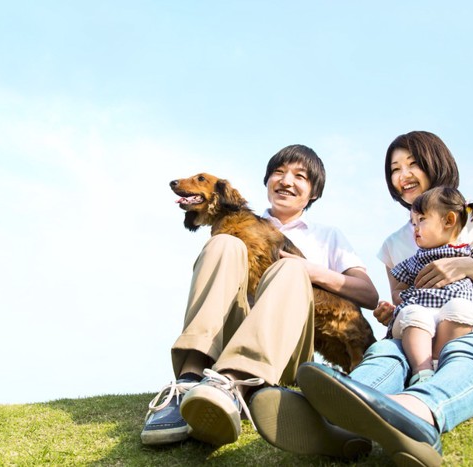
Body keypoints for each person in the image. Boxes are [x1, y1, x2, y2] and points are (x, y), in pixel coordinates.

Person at [249, 131, 473, 464]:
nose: (402, 176)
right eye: (394, 169)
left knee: (463, 350)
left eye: (412, 164)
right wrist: (390, 315)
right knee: (386, 352)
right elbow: (404, 306)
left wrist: (465, 265)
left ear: (436, 163)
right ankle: (330, 419)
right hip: (422, 332)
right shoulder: (395, 245)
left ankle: (419, 413)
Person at [141, 144, 379, 448]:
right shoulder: (232, 226)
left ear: (314, 191)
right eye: (278, 173)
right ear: (267, 181)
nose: (286, 181)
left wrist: (308, 269)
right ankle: (189, 381)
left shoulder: (328, 236)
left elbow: (369, 295)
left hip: (285, 351)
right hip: (224, 343)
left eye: (300, 176)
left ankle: (236, 382)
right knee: (223, 245)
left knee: (288, 272)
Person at [388, 186, 473, 386]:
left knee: (461, 308)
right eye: (413, 223)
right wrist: (404, 301)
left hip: (455, 316)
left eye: (421, 220)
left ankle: (440, 363)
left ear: (449, 220)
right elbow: (398, 290)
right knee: (414, 313)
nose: (415, 228)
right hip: (424, 315)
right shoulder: (416, 260)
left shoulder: (472, 252)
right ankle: (421, 371)